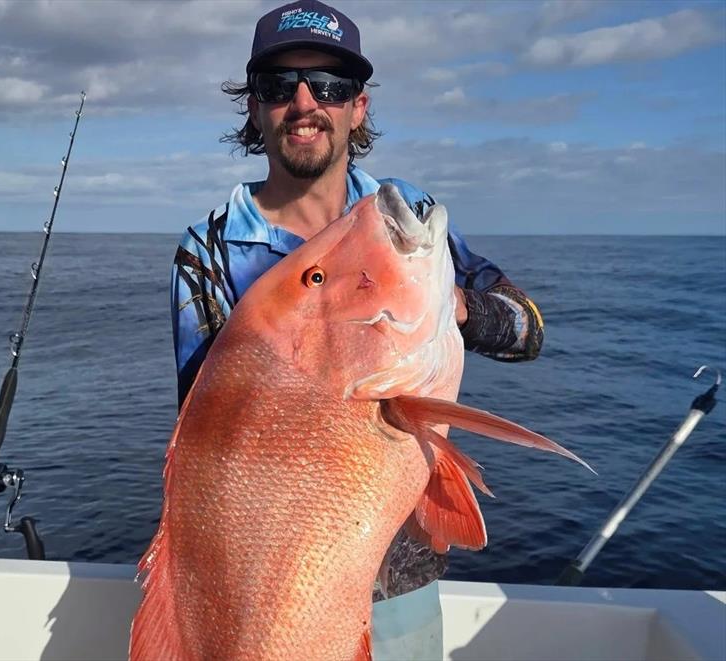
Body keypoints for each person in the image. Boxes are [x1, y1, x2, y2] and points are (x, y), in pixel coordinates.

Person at [170, 0, 543, 654]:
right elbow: (206, 429)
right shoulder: (208, 249)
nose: (306, 101)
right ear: (255, 108)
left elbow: (525, 328)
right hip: (269, 585)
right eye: (279, 86)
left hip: (404, 587)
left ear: (358, 107)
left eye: (332, 86)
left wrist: (445, 304)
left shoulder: (404, 223)